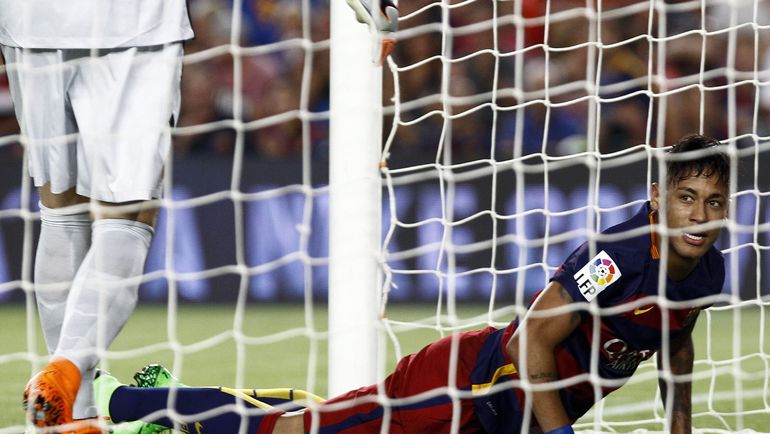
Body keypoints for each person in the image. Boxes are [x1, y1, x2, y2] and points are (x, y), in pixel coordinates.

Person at [91, 133, 730, 434]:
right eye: (686, 198)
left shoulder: (709, 268)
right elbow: (531, 339)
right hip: (469, 386)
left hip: (513, 418)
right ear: (657, 198)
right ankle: (124, 403)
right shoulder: (616, 258)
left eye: (713, 202)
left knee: (320, 419)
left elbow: (675, 339)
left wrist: (680, 426)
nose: (699, 216)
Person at [0, 2, 194, 432]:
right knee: (127, 212)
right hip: (133, 20)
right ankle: (65, 371)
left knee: (60, 207)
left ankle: (76, 418)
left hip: (27, 22)